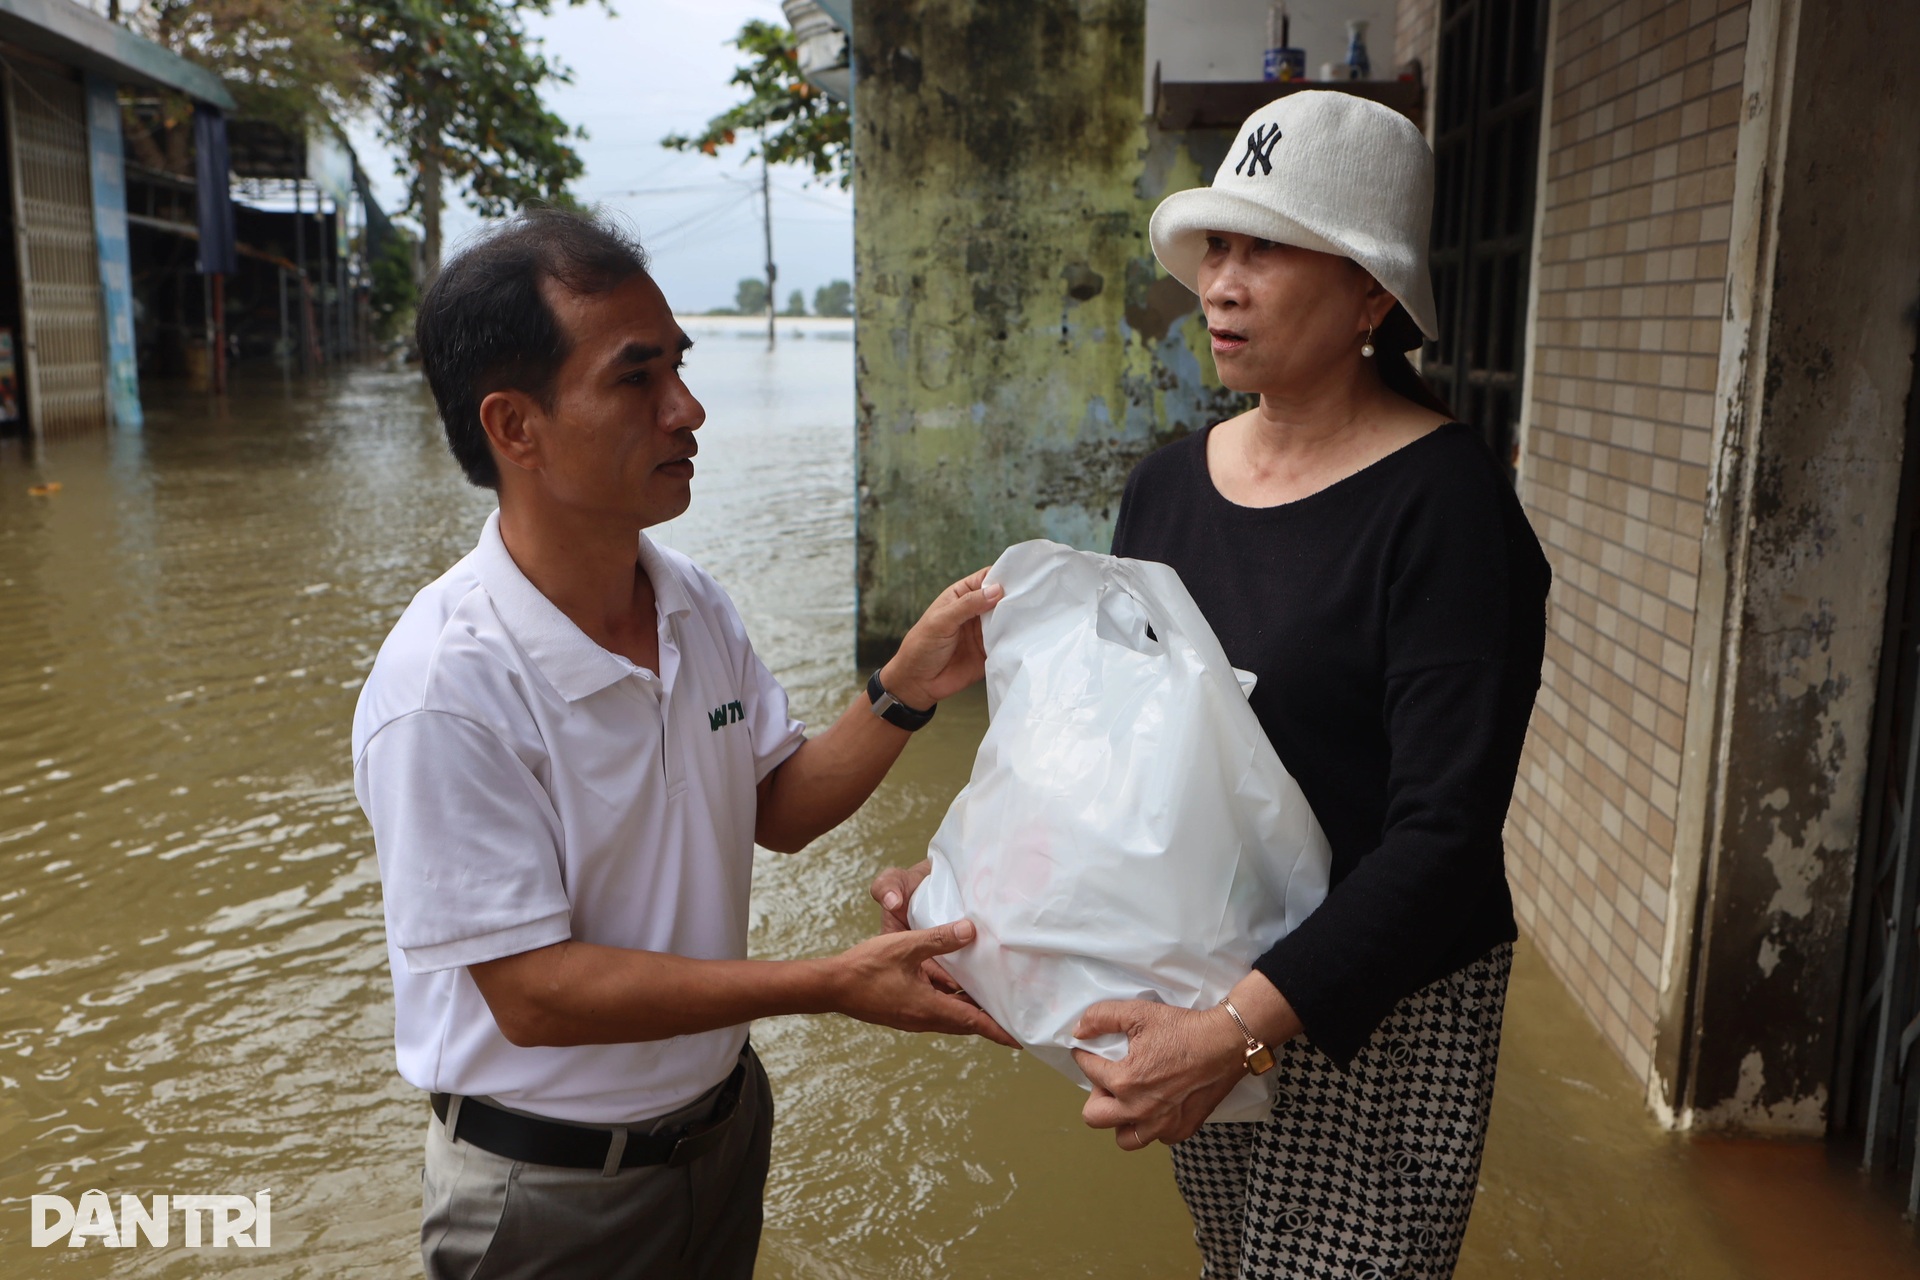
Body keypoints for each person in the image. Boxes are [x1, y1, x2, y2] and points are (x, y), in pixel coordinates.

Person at [876, 91, 1550, 1279]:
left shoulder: (1446, 508)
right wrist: (978, 891)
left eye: (1266, 250)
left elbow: (1443, 840)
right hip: (1204, 966)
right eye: (1215, 248)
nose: (1220, 286)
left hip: (1374, 1006)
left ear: (1373, 294)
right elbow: (1124, 755)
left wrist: (1235, 1033)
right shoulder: (1169, 487)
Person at [354, 208, 1013, 1280]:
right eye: (636, 378)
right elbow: (536, 994)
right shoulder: (446, 686)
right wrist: (827, 981)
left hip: (722, 1131)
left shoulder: (687, 601)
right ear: (515, 427)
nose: (687, 408)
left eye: (680, 366)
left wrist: (905, 687)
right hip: (553, 1191)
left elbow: (778, 807)